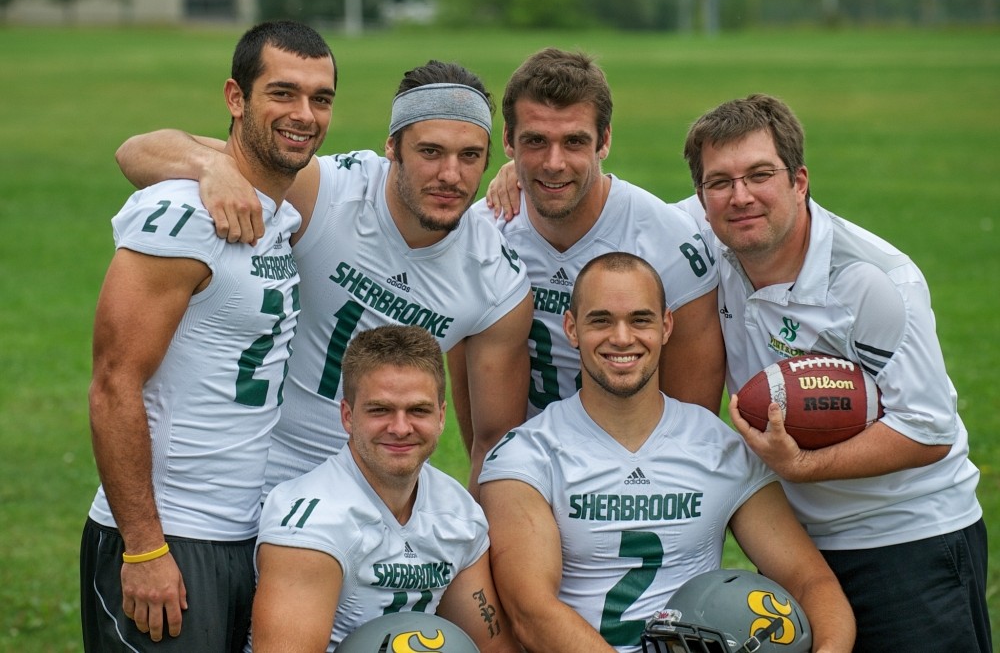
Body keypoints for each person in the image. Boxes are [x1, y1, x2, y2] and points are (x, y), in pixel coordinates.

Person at [115, 61, 534, 496]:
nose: (450, 175)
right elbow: (137, 151)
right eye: (430, 152)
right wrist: (210, 165)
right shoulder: (325, 193)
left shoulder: (498, 281)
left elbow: (495, 446)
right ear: (392, 146)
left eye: (469, 156)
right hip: (246, 477)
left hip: (368, 499)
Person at [682, 94, 991, 651]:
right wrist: (523, 179)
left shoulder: (874, 280)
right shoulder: (705, 238)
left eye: (760, 175)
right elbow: (614, 213)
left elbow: (929, 429)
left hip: (908, 539)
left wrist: (802, 465)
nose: (740, 195)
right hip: (797, 550)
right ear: (702, 198)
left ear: (799, 181)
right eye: (719, 182)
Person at [80, 21, 336, 652]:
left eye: (321, 98)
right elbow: (114, 383)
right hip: (169, 534)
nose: (304, 115)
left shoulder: (278, 216)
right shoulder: (183, 213)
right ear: (235, 98)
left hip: (243, 532)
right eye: (283, 93)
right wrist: (144, 547)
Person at [478, 252, 855, 653]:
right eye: (601, 320)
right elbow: (531, 613)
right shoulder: (526, 455)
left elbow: (810, 580)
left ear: (666, 326)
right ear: (571, 328)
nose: (622, 338)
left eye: (640, 320)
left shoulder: (719, 447)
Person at [466, 47, 724, 426]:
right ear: (508, 139)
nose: (554, 164)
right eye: (536, 141)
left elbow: (693, 423)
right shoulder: (479, 233)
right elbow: (484, 433)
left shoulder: (670, 242)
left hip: (634, 452)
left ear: (604, 141)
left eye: (574, 142)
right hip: (525, 454)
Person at [249, 325, 521, 652]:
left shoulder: (458, 513)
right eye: (380, 410)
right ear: (348, 416)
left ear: (441, 416)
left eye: (418, 410)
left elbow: (493, 647)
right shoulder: (312, 525)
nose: (400, 428)